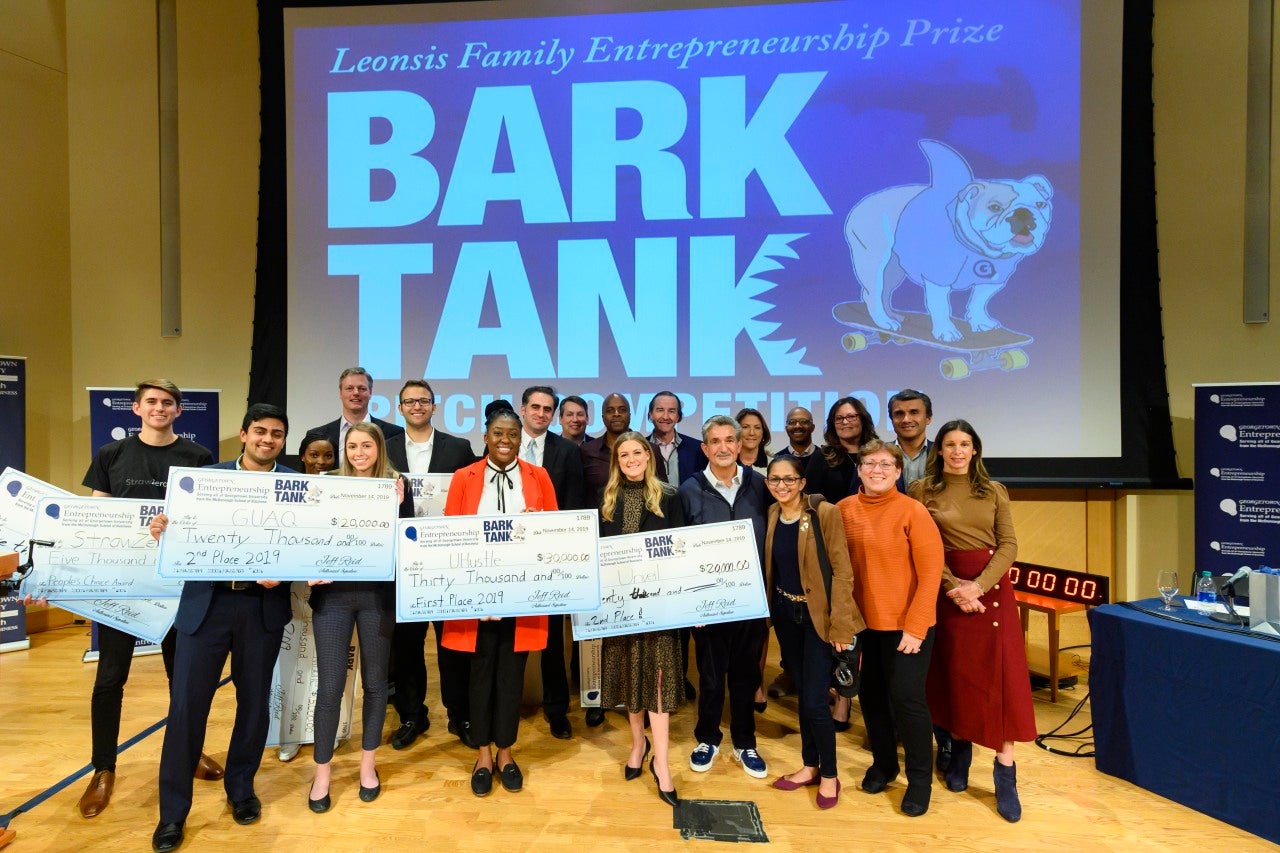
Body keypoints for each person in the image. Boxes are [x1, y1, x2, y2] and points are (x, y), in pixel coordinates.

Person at [149, 404, 294, 853]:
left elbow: (308, 542)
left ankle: (241, 790)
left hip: (261, 608)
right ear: (243, 433)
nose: (267, 440)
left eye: (277, 434)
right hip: (206, 607)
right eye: (260, 432)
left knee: (253, 706)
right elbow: (177, 531)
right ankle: (172, 813)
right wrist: (162, 530)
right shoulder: (205, 479)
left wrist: (285, 571)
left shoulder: (296, 485)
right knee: (187, 709)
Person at [77, 380, 221, 820]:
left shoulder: (197, 458)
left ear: (179, 411)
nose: (160, 408)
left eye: (168, 403)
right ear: (137, 407)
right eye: (152, 402)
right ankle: (103, 768)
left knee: (185, 680)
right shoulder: (111, 455)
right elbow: (98, 519)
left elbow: (202, 519)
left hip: (179, 586)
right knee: (110, 679)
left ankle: (188, 752)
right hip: (124, 584)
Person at [909, 420, 1036, 822]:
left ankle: (1005, 773)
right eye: (950, 444)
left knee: (1000, 681)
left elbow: (1009, 544)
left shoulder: (994, 491)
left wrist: (977, 587)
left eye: (965, 444)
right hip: (945, 591)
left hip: (991, 591)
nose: (958, 450)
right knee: (958, 677)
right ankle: (959, 754)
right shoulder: (921, 491)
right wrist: (953, 587)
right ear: (940, 450)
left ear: (975, 450)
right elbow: (923, 546)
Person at [442, 405, 556, 797]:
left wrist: (535, 523)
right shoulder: (463, 477)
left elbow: (554, 531)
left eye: (512, 434)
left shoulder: (538, 477)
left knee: (511, 677)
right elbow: (450, 537)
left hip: (522, 599)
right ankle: (483, 755)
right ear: (486, 437)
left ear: (520, 439)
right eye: (498, 433)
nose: (505, 440)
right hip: (476, 601)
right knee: (478, 675)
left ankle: (506, 752)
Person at [307, 422, 413, 813]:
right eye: (352, 445)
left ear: (378, 448)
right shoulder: (326, 484)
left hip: (377, 598)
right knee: (331, 687)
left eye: (366, 445)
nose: (359, 452)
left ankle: (369, 764)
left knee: (374, 684)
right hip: (333, 597)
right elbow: (311, 534)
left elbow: (409, 540)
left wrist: (400, 508)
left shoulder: (396, 483)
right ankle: (322, 772)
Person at [838, 440, 944, 817]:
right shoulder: (843, 510)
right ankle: (884, 765)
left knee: (908, 700)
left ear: (898, 472)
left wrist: (916, 628)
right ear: (860, 468)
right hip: (863, 626)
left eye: (886, 464)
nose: (877, 470)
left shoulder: (913, 511)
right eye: (870, 463)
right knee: (871, 699)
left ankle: (920, 780)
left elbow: (932, 575)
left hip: (907, 627)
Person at [763, 456, 865, 809]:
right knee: (805, 697)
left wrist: (841, 624)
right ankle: (809, 765)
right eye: (775, 479)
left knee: (814, 700)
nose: (782, 485)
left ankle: (830, 774)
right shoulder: (774, 514)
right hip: (786, 615)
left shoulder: (825, 513)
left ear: (803, 482)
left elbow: (843, 571)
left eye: (789, 479)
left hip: (818, 618)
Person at [385, 380, 478, 751]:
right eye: (410, 401)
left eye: (423, 400)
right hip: (403, 563)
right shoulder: (386, 449)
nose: (417, 406)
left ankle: (460, 715)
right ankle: (412, 715)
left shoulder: (459, 448)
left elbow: (472, 496)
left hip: (447, 562)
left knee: (452, 642)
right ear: (400, 406)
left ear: (434, 406)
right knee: (407, 646)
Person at [679, 415, 771, 780]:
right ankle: (707, 737)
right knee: (712, 676)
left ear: (739, 444)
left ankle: (745, 741)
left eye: (729, 440)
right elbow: (680, 549)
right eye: (714, 441)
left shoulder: (760, 485)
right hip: (708, 603)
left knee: (747, 676)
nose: (723, 447)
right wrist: (691, 602)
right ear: (704, 448)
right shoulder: (689, 489)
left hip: (751, 600)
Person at [598, 432, 686, 807]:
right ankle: (638, 744)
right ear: (617, 461)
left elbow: (683, 549)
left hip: (660, 608)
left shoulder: (670, 496)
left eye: (637, 452)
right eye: (624, 454)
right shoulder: (607, 500)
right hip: (621, 609)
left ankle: (662, 765)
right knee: (629, 678)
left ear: (648, 456)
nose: (631, 459)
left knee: (659, 684)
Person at [517, 385, 591, 735]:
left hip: (550, 558)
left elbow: (574, 504)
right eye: (536, 407)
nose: (541, 414)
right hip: (507, 559)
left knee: (550, 640)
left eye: (548, 409)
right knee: (507, 636)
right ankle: (509, 701)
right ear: (523, 408)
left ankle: (556, 709)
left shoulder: (566, 451)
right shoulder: (503, 445)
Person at [276, 433, 339, 764]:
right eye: (314, 455)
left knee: (330, 669)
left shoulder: (345, 493)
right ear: (301, 457)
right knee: (295, 662)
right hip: (296, 587)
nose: (320, 462)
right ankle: (291, 734)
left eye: (328, 456)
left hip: (335, 591)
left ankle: (330, 732)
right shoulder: (290, 492)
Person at [301, 366, 403, 464]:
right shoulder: (317, 435)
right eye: (349, 388)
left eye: (362, 388)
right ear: (340, 393)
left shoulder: (394, 433)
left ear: (370, 393)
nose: (356, 393)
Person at [804, 396, 879, 503]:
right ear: (833, 424)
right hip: (833, 518)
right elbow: (809, 497)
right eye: (839, 418)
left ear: (863, 419)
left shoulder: (877, 454)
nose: (844, 422)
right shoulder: (821, 457)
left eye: (851, 417)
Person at [647, 391, 707, 488]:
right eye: (660, 410)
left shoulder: (697, 448)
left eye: (671, 411)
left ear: (678, 416)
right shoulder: (640, 448)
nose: (665, 417)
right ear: (651, 414)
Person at [581, 392, 635, 495]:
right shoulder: (587, 451)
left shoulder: (649, 449)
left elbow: (662, 494)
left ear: (630, 415)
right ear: (603, 417)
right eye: (610, 410)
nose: (616, 414)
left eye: (622, 410)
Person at [889, 389, 934, 493]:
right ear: (891, 420)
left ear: (928, 418)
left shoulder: (943, 454)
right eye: (899, 413)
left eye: (914, 412)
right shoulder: (876, 455)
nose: (906, 419)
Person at [735, 408, 772, 472]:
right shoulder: (726, 462)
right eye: (745, 427)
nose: (752, 433)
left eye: (757, 428)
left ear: (763, 432)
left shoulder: (774, 464)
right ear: (736, 431)